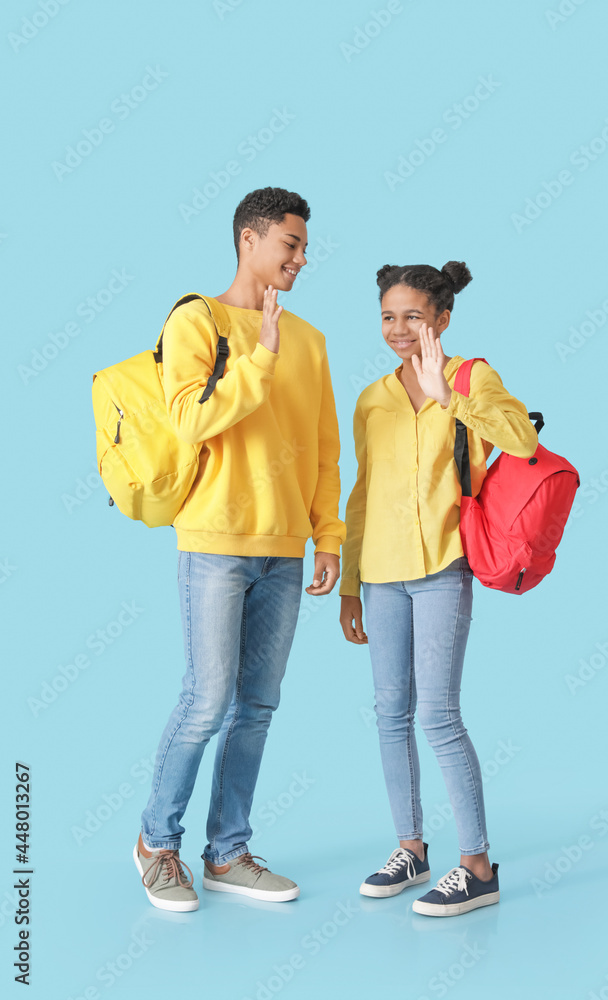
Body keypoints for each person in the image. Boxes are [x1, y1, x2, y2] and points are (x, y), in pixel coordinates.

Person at [135, 187, 346, 911]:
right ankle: (156, 843)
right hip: (216, 540)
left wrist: (329, 536)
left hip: (284, 550)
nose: (300, 257)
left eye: (304, 246)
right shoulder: (197, 320)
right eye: (290, 243)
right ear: (248, 239)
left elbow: (324, 449)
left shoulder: (311, 341)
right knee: (206, 701)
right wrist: (257, 356)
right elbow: (192, 419)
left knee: (257, 705)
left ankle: (227, 852)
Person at [339, 260, 538, 917]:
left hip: (443, 566)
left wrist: (450, 397)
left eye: (413, 316)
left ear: (442, 319)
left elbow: (522, 439)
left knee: (437, 716)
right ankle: (410, 848)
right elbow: (362, 491)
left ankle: (476, 866)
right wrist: (348, 584)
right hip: (380, 576)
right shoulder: (370, 398)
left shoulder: (471, 376)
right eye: (388, 317)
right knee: (387, 713)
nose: (399, 329)